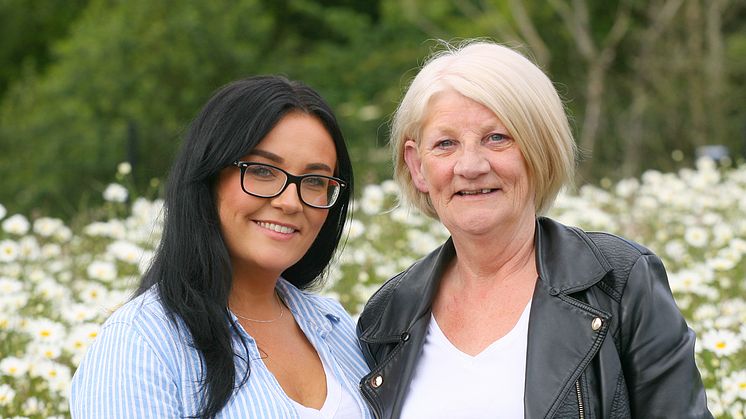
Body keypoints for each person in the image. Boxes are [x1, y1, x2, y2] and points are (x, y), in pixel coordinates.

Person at [356, 41, 712, 418]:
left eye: (497, 138)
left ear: (539, 148)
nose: (471, 166)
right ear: (417, 166)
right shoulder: (388, 315)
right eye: (446, 144)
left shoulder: (618, 283)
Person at [71, 76, 373, 419]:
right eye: (262, 171)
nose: (290, 202)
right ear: (208, 176)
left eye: (316, 181)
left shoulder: (337, 328)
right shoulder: (140, 346)